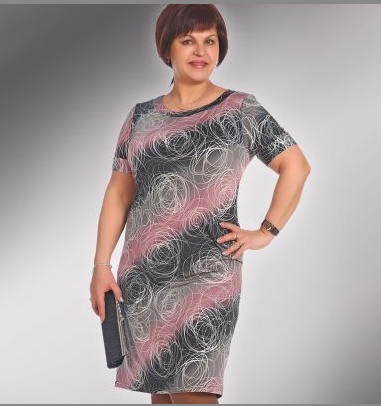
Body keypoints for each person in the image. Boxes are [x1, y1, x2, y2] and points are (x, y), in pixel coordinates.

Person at [90, 4, 311, 405]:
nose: (201, 51)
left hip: (208, 275)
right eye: (188, 40)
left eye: (210, 41)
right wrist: (101, 266)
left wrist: (266, 231)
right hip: (145, 277)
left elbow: (295, 166)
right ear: (167, 49)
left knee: (194, 394)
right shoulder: (140, 118)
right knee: (163, 397)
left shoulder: (240, 109)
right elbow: (119, 193)